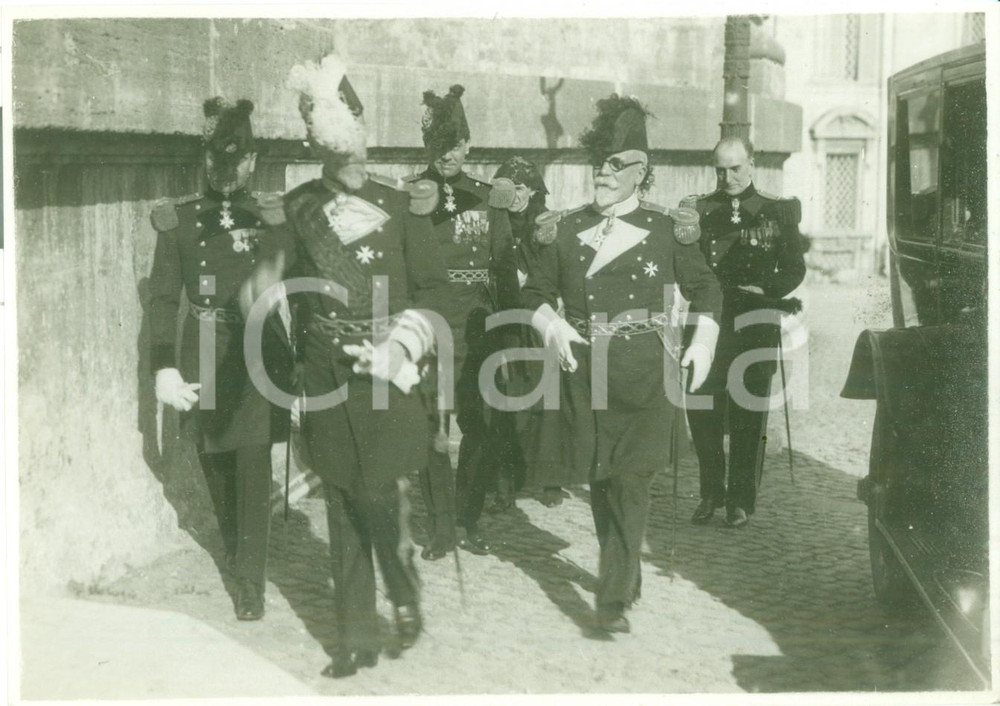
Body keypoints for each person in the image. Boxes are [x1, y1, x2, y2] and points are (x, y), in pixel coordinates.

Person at [242, 54, 444, 677]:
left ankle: (404, 589)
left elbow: (435, 294)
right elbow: (262, 290)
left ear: (355, 122)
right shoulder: (297, 207)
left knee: (377, 494)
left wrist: (403, 347)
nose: (315, 134)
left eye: (323, 117)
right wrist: (287, 342)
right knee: (339, 500)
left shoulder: (401, 202)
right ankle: (354, 636)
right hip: (326, 371)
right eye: (308, 122)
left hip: (387, 370)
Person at [521, 95, 723, 634]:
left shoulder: (665, 229)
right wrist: (553, 324)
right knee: (600, 478)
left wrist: (702, 344)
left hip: (646, 371)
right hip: (585, 371)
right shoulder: (563, 228)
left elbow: (706, 287)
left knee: (632, 480)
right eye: (600, 166)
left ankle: (611, 596)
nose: (603, 175)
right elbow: (533, 292)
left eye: (617, 166)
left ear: (641, 173)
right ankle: (625, 570)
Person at [149, 97, 291, 621]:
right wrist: (163, 366)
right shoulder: (179, 222)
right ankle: (237, 548)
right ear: (204, 160)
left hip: (257, 352)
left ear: (252, 161)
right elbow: (163, 298)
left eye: (235, 161)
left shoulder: (272, 216)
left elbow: (297, 287)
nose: (224, 171)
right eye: (215, 161)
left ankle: (248, 580)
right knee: (216, 463)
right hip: (204, 352)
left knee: (252, 463)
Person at [408, 85, 511, 559]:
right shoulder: (409, 198)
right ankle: (441, 525)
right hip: (428, 325)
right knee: (431, 430)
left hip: (477, 326)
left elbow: (505, 269)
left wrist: (509, 331)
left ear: (468, 145)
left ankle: (469, 518)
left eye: (455, 145)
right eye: (438, 146)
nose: (446, 155)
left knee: (481, 426)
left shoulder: (490, 200)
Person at [686, 136, 806, 529]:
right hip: (709, 321)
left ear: (752, 164)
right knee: (702, 408)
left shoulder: (777, 210)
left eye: (736, 168)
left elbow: (794, 269)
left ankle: (740, 500)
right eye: (721, 169)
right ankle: (709, 494)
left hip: (755, 321)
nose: (729, 176)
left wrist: (768, 291)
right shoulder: (700, 210)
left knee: (748, 411)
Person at [487, 156, 577, 509]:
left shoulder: (548, 223)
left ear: (534, 189)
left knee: (547, 396)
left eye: (520, 188)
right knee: (504, 396)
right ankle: (504, 481)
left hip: (540, 319)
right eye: (507, 189)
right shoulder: (495, 222)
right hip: (503, 316)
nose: (514, 197)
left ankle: (549, 479)